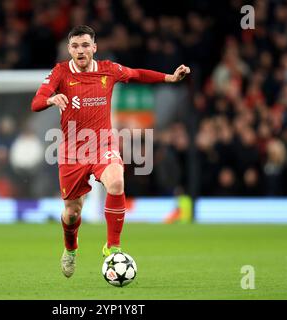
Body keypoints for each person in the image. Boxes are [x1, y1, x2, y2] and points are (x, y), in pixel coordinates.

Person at [31, 25, 190, 278]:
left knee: (116, 181)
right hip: (72, 151)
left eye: (85, 45)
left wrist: (168, 78)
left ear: (94, 47)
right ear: (69, 49)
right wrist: (51, 99)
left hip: (103, 144)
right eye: (75, 46)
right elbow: (36, 102)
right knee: (72, 213)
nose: (80, 50)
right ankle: (70, 249)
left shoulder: (108, 69)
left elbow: (137, 74)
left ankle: (112, 246)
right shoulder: (61, 72)